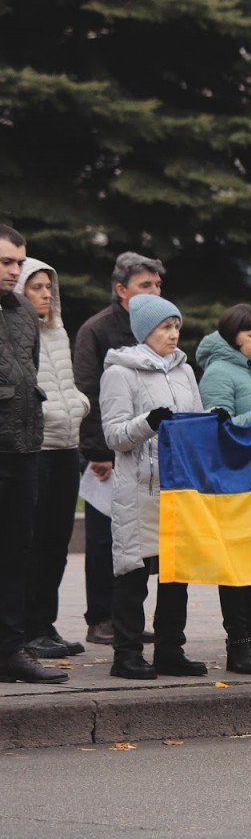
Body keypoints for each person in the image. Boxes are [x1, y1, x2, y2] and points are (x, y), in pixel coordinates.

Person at [99, 295, 208, 680]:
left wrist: (214, 419)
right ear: (146, 331)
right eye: (165, 327)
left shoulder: (185, 371)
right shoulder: (120, 372)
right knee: (133, 573)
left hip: (177, 486)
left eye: (176, 326)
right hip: (138, 490)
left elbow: (193, 423)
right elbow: (113, 435)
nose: (174, 334)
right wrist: (149, 421)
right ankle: (126, 655)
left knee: (176, 574)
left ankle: (169, 651)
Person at [74, 251, 164, 647]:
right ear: (121, 290)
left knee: (140, 539)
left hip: (150, 455)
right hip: (108, 455)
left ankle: (126, 618)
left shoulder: (157, 328)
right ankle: (101, 618)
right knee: (103, 538)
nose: (154, 292)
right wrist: (97, 452)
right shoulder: (97, 330)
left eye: (158, 286)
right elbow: (87, 392)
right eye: (145, 286)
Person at [196, 304, 251, 675]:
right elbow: (218, 428)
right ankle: (237, 646)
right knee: (237, 567)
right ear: (234, 336)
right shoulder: (218, 372)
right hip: (235, 482)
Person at [15, 257, 90, 662]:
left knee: (57, 544)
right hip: (36, 447)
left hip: (66, 446)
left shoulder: (58, 331)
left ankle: (45, 623)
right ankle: (25, 627)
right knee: (31, 541)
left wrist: (77, 405)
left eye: (48, 287)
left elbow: (69, 382)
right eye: (36, 287)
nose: (46, 294)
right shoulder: (15, 331)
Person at [0, 229, 59, 684]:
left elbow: (30, 375)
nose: (15, 271)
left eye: (18, 262)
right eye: (5, 262)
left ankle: (10, 650)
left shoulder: (21, 311)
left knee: (17, 552)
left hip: (23, 447)